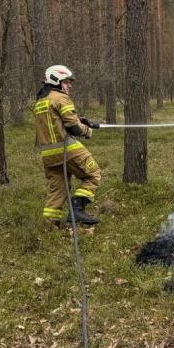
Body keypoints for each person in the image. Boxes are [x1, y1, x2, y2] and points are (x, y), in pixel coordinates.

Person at [34, 65, 102, 227]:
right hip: (67, 149)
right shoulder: (60, 97)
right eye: (66, 82)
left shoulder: (41, 101)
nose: (69, 85)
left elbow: (57, 122)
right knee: (93, 174)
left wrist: (79, 119)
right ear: (56, 80)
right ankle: (77, 209)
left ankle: (50, 227)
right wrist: (86, 130)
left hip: (48, 156)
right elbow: (74, 128)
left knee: (58, 189)